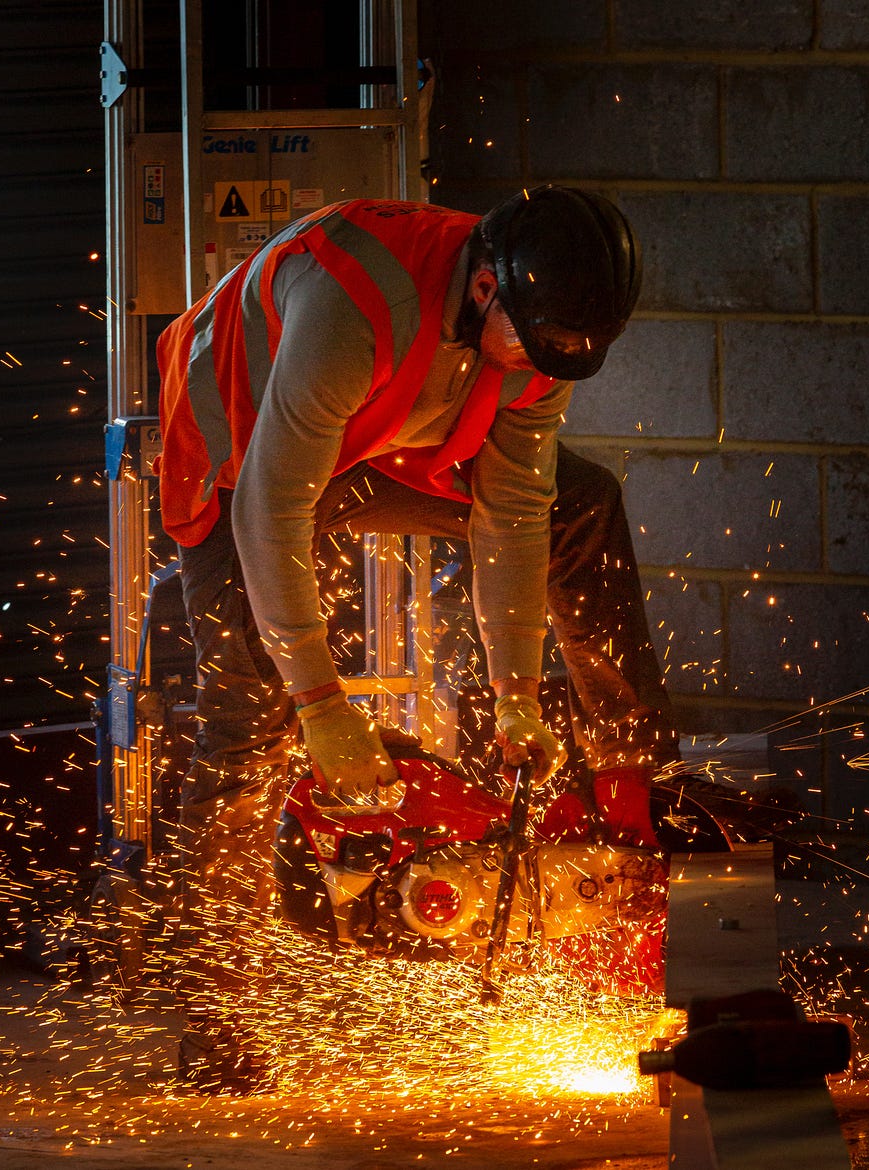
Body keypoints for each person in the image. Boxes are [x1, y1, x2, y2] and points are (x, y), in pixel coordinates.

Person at [155, 185, 679, 1092]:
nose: (540, 371)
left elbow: (514, 511)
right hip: (242, 450)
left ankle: (633, 784)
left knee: (581, 507)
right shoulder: (356, 309)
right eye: (531, 348)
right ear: (486, 289)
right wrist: (321, 705)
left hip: (392, 429)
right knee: (249, 723)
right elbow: (272, 508)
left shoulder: (543, 332)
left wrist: (519, 695)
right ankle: (216, 1011)